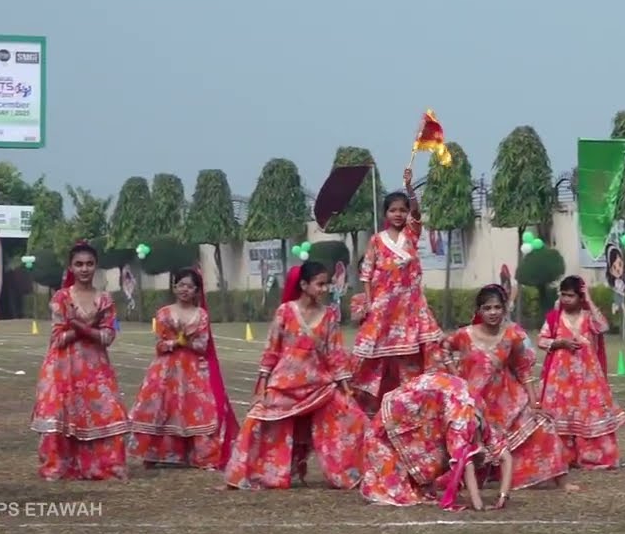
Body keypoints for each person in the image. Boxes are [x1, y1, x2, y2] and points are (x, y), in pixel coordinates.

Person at [224, 262, 365, 490]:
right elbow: (272, 351)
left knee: (356, 419)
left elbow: (335, 355)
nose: (324, 289)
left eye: (326, 284)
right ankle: (247, 474)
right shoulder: (286, 312)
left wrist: (346, 387)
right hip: (285, 386)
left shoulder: (329, 315)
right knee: (255, 420)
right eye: (319, 284)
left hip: (319, 387)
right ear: (303, 285)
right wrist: (261, 387)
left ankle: (358, 472)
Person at [446, 284, 574, 493]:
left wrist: (535, 403)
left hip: (509, 401)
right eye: (487, 308)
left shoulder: (512, 336)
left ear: (504, 309)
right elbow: (442, 349)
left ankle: (562, 481)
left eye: (497, 307)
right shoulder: (464, 335)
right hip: (476, 404)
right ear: (479, 311)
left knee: (544, 426)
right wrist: (455, 377)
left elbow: (523, 369)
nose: (493, 312)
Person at [29, 241, 130, 480]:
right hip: (64, 366)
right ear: (71, 267)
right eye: (79, 264)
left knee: (107, 411)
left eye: (89, 264)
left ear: (96, 266)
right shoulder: (61, 298)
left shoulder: (104, 299)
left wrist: (78, 324)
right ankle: (58, 465)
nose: (84, 269)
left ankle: (107, 465)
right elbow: (59, 339)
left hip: (95, 366)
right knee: (60, 414)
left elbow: (107, 337)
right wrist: (87, 325)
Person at [351, 169, 445, 415]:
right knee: (374, 357)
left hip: (410, 306)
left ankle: (415, 400)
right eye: (393, 210)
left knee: (413, 357)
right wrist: (371, 304)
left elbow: (416, 212)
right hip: (384, 307)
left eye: (402, 210)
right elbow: (367, 274)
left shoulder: (411, 235)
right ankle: (371, 403)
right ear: (385, 213)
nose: (398, 214)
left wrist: (410, 188)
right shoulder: (376, 240)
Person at [129, 268, 238, 469]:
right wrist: (175, 343)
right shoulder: (163, 313)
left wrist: (185, 342)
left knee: (197, 409)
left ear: (197, 291)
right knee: (162, 407)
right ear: (174, 287)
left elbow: (202, 346)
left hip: (193, 369)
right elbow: (159, 345)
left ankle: (202, 455)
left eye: (189, 286)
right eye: (181, 285)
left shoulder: (201, 315)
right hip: (165, 369)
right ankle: (155, 453)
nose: (184, 290)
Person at [360, 369, 512, 510]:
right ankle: (382, 487)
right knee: (384, 441)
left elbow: (506, 457)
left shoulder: (483, 421)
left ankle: (409, 481)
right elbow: (466, 463)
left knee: (435, 451)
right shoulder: (461, 425)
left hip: (436, 395)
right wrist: (478, 505)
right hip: (411, 400)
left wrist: (503, 496)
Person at [537, 275, 625, 470]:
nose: (566, 299)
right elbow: (541, 340)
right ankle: (563, 456)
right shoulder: (555, 317)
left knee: (589, 413)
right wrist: (560, 343)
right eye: (563, 295)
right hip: (560, 377)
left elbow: (603, 326)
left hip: (587, 376)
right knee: (561, 415)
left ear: (580, 297)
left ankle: (593, 456)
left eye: (570, 295)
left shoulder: (588, 317)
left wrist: (589, 299)